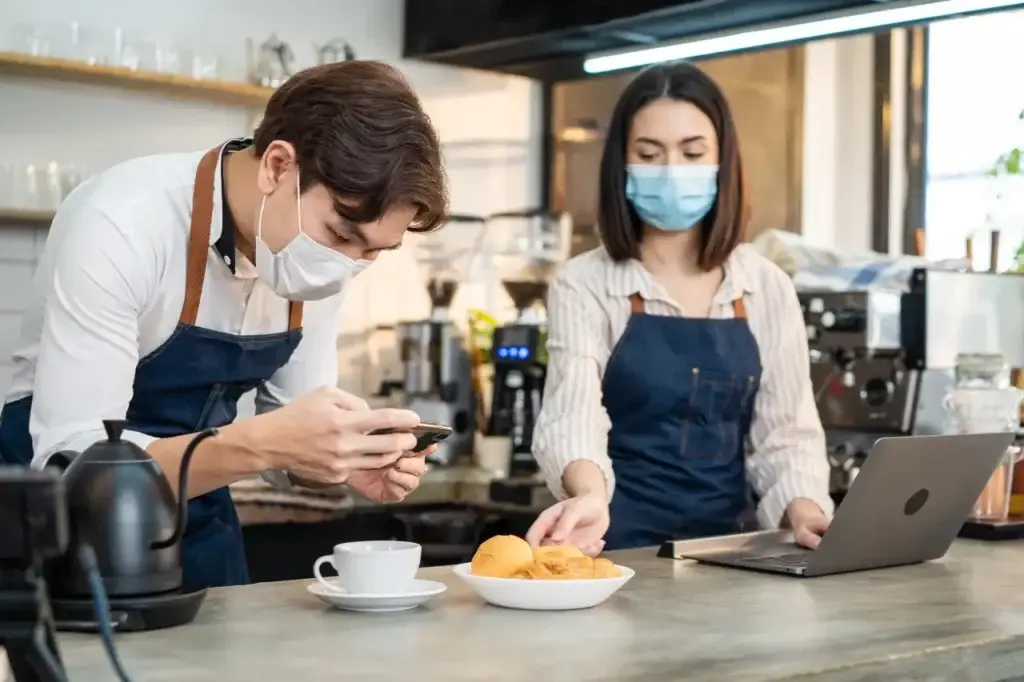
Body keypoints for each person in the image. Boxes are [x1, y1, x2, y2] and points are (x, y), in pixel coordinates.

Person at [0, 60, 449, 590]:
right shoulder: (122, 220)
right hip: (63, 531)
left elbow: (288, 437)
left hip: (200, 522)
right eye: (341, 235)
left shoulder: (321, 261)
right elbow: (77, 463)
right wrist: (262, 444)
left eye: (374, 251)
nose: (347, 265)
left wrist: (343, 460)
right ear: (277, 167)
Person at [525, 61, 834, 555]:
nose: (672, 170)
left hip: (734, 555)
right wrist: (588, 497)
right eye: (650, 154)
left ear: (723, 160)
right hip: (618, 551)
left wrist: (805, 511)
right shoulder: (584, 283)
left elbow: (786, 434)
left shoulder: (765, 286)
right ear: (621, 164)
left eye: (693, 153)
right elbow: (574, 415)